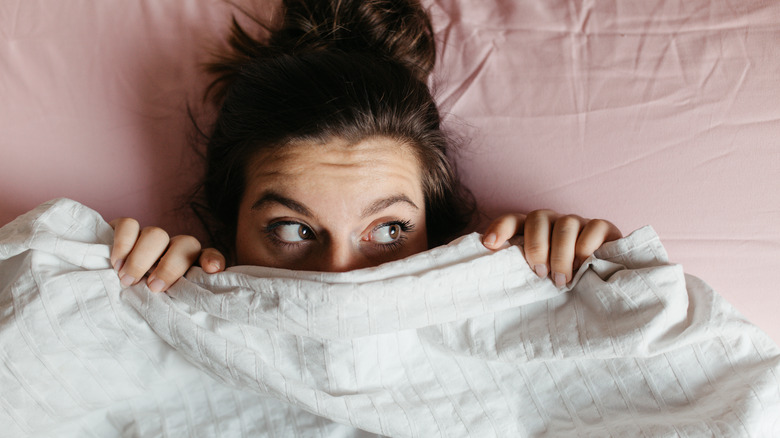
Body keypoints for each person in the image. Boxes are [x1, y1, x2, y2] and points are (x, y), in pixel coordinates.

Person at [109, 0, 621, 293]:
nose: (338, 274)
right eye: (292, 228)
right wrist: (122, 290)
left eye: (390, 229)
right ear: (229, 229)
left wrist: (591, 278)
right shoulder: (163, 307)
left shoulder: (540, 302)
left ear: (436, 236)